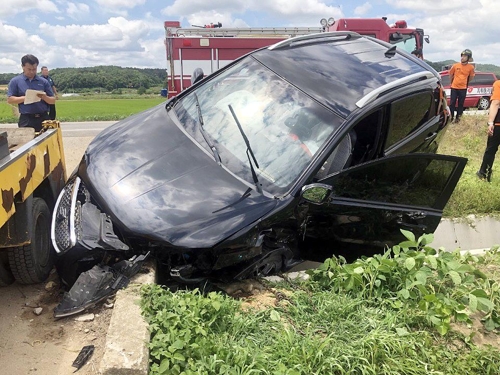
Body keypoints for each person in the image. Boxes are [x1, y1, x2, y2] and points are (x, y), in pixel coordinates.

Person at [7, 54, 55, 132]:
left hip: (43, 118)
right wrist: (26, 98)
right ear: (23, 66)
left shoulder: (43, 81)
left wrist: (44, 97)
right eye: (29, 69)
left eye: (34, 69)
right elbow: (10, 99)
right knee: (27, 142)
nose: (32, 72)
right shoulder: (15, 81)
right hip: (26, 119)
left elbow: (52, 101)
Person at [477, 79, 500, 182]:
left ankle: (484, 173)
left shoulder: (498, 84)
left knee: (491, 149)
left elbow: (496, 102)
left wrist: (490, 123)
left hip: (499, 124)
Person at [448, 49, 475, 123]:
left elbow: (471, 77)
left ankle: (458, 118)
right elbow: (450, 74)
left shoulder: (471, 67)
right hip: (454, 87)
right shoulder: (455, 66)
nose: (462, 57)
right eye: (462, 56)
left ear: (468, 58)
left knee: (461, 104)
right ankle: (451, 117)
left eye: (465, 56)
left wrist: (465, 82)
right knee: (452, 103)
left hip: (463, 88)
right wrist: (452, 82)